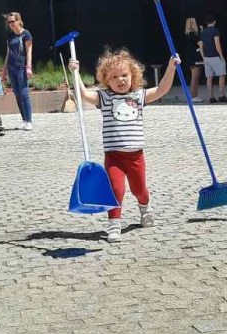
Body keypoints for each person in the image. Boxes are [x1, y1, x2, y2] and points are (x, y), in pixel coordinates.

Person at [69, 49, 180, 243]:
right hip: (114, 157)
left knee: (139, 189)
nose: (120, 80)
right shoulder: (104, 98)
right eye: (114, 77)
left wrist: (171, 68)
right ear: (106, 80)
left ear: (133, 76)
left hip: (136, 156)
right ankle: (114, 223)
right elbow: (84, 95)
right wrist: (75, 73)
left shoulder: (138, 96)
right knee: (115, 189)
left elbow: (162, 89)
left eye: (124, 75)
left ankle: (145, 207)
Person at [1, 12, 34, 131]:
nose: (10, 24)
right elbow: (8, 52)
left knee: (24, 93)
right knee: (17, 94)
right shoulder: (10, 36)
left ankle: (29, 121)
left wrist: (28, 67)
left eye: (12, 21)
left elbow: (29, 51)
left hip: (21, 67)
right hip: (11, 67)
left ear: (18, 21)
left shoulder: (26, 34)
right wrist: (4, 69)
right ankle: (24, 119)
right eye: (8, 22)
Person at [199, 14, 227, 103]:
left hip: (207, 58)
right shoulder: (215, 30)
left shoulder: (203, 32)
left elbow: (201, 46)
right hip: (216, 56)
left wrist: (203, 57)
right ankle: (222, 95)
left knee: (209, 78)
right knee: (221, 76)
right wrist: (221, 55)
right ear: (214, 22)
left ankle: (211, 97)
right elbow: (217, 43)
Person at [183, 17, 203, 102]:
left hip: (190, 57)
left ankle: (194, 95)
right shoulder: (193, 34)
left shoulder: (187, 34)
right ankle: (194, 96)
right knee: (195, 78)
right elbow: (200, 43)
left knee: (194, 77)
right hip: (195, 58)